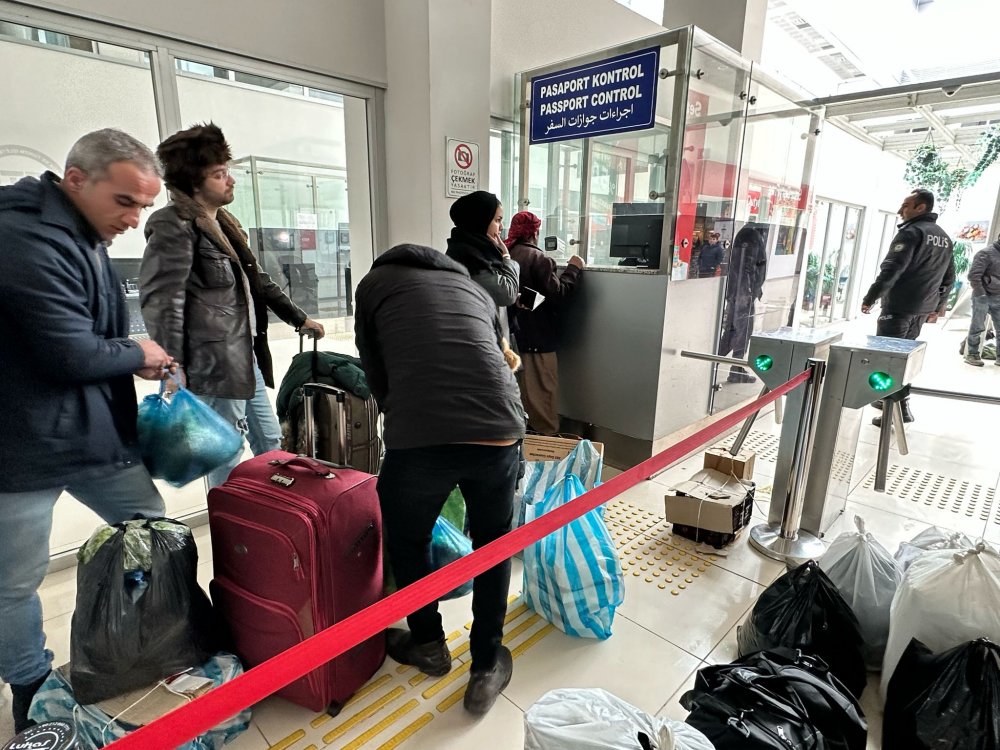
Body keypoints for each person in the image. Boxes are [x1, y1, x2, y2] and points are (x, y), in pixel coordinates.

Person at [0, 129, 176, 733]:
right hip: (22, 447)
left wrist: (127, 356)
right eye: (125, 201)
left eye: (143, 206)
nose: (133, 219)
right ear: (76, 179)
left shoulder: (85, 232)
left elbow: (88, 339)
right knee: (14, 582)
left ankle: (143, 636)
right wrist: (137, 352)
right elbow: (69, 353)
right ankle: (30, 686)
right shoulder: (22, 236)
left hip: (93, 434)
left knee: (152, 531)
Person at [354, 243, 525, 716]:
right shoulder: (473, 287)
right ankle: (486, 666)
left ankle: (429, 645)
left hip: (421, 437)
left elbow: (375, 370)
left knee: (408, 540)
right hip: (499, 429)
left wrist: (407, 417)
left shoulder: (374, 285)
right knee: (493, 545)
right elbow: (499, 357)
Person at [139, 123, 325, 487]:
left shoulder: (223, 223)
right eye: (219, 174)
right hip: (213, 363)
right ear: (194, 182)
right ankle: (227, 516)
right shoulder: (173, 225)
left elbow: (258, 281)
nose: (231, 180)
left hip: (243, 356)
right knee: (224, 452)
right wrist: (173, 366)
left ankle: (270, 509)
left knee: (271, 441)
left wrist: (298, 317)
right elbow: (161, 301)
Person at [862, 189, 954, 424]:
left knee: (890, 358)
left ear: (920, 207)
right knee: (904, 356)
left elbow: (892, 269)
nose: (900, 210)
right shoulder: (943, 237)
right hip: (921, 309)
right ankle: (889, 400)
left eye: (905, 206)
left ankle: (899, 409)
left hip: (899, 307)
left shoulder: (911, 233)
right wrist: (937, 306)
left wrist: (871, 297)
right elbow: (949, 277)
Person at [504, 210, 584, 435]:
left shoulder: (507, 255)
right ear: (535, 232)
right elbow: (558, 294)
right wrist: (574, 267)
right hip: (539, 339)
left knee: (524, 399)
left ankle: (526, 444)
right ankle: (547, 447)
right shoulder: (539, 259)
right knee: (544, 400)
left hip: (513, 339)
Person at [445, 190, 519, 343]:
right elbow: (507, 294)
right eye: (497, 220)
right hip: (479, 342)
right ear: (480, 221)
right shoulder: (470, 258)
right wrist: (507, 257)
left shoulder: (478, 252)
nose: (501, 227)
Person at [719, 223, 767, 383]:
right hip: (744, 293)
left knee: (731, 332)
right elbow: (754, 267)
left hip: (736, 291)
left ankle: (711, 363)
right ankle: (736, 370)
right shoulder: (754, 236)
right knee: (743, 332)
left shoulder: (743, 235)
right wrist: (752, 291)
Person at [962, 237, 1000, 367]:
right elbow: (973, 276)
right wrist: (981, 294)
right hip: (982, 296)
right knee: (977, 326)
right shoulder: (985, 253)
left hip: (998, 296)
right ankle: (972, 354)